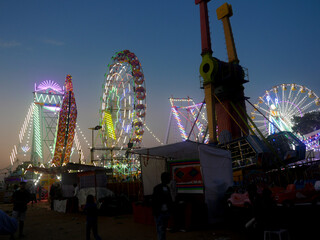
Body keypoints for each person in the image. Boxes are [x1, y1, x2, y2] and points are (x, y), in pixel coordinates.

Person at [152, 172, 173, 240]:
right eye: (169, 178)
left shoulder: (167, 188)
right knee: (161, 231)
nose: (170, 179)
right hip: (160, 213)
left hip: (165, 212)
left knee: (162, 231)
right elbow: (156, 201)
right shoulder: (158, 188)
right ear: (165, 179)